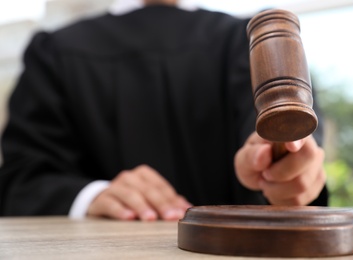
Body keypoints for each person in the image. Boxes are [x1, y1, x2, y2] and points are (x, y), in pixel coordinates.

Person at [0, 0, 327, 220]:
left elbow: (281, 140)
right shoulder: (54, 52)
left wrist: (284, 168)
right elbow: (21, 179)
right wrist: (91, 196)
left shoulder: (246, 41)